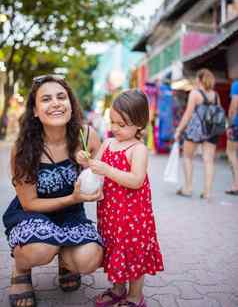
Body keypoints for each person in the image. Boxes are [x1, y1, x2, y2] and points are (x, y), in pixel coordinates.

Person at [2, 75, 104, 307]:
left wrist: (93, 168)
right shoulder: (23, 147)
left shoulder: (86, 136)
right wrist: (73, 197)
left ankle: (66, 262)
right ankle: (21, 269)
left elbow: (103, 176)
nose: (56, 103)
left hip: (71, 215)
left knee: (91, 258)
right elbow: (29, 203)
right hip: (32, 213)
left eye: (61, 97)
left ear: (71, 103)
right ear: (35, 111)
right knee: (41, 249)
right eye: (46, 99)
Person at [77, 89, 164, 307]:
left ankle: (135, 296)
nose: (115, 128)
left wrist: (106, 169)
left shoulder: (138, 149)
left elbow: (136, 180)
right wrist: (85, 160)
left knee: (133, 254)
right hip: (110, 213)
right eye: (112, 122)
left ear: (140, 123)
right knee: (115, 249)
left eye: (121, 124)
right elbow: (96, 168)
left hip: (133, 216)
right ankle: (117, 289)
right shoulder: (107, 144)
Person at [174, 69, 222, 199]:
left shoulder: (195, 93)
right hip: (211, 131)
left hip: (196, 130)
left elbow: (188, 114)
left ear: (199, 80)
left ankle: (188, 188)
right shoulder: (215, 95)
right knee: (209, 160)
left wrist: (179, 129)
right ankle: (207, 192)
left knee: (188, 157)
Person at [225, 79, 238, 195]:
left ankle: (236, 185)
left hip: (237, 125)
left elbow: (234, 106)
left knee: (231, 152)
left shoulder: (236, 85)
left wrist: (229, 124)